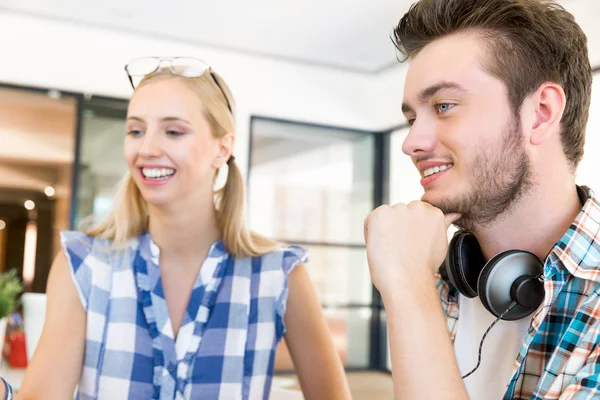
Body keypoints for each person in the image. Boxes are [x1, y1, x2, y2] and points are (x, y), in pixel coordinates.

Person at [16, 57, 351, 400]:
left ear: (222, 149)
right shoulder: (85, 264)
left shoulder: (279, 274)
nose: (146, 149)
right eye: (136, 130)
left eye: (173, 131)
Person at [363, 0, 598, 399]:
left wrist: (408, 289)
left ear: (540, 113)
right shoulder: (443, 284)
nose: (411, 143)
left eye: (444, 106)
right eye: (412, 118)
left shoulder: (417, 286)